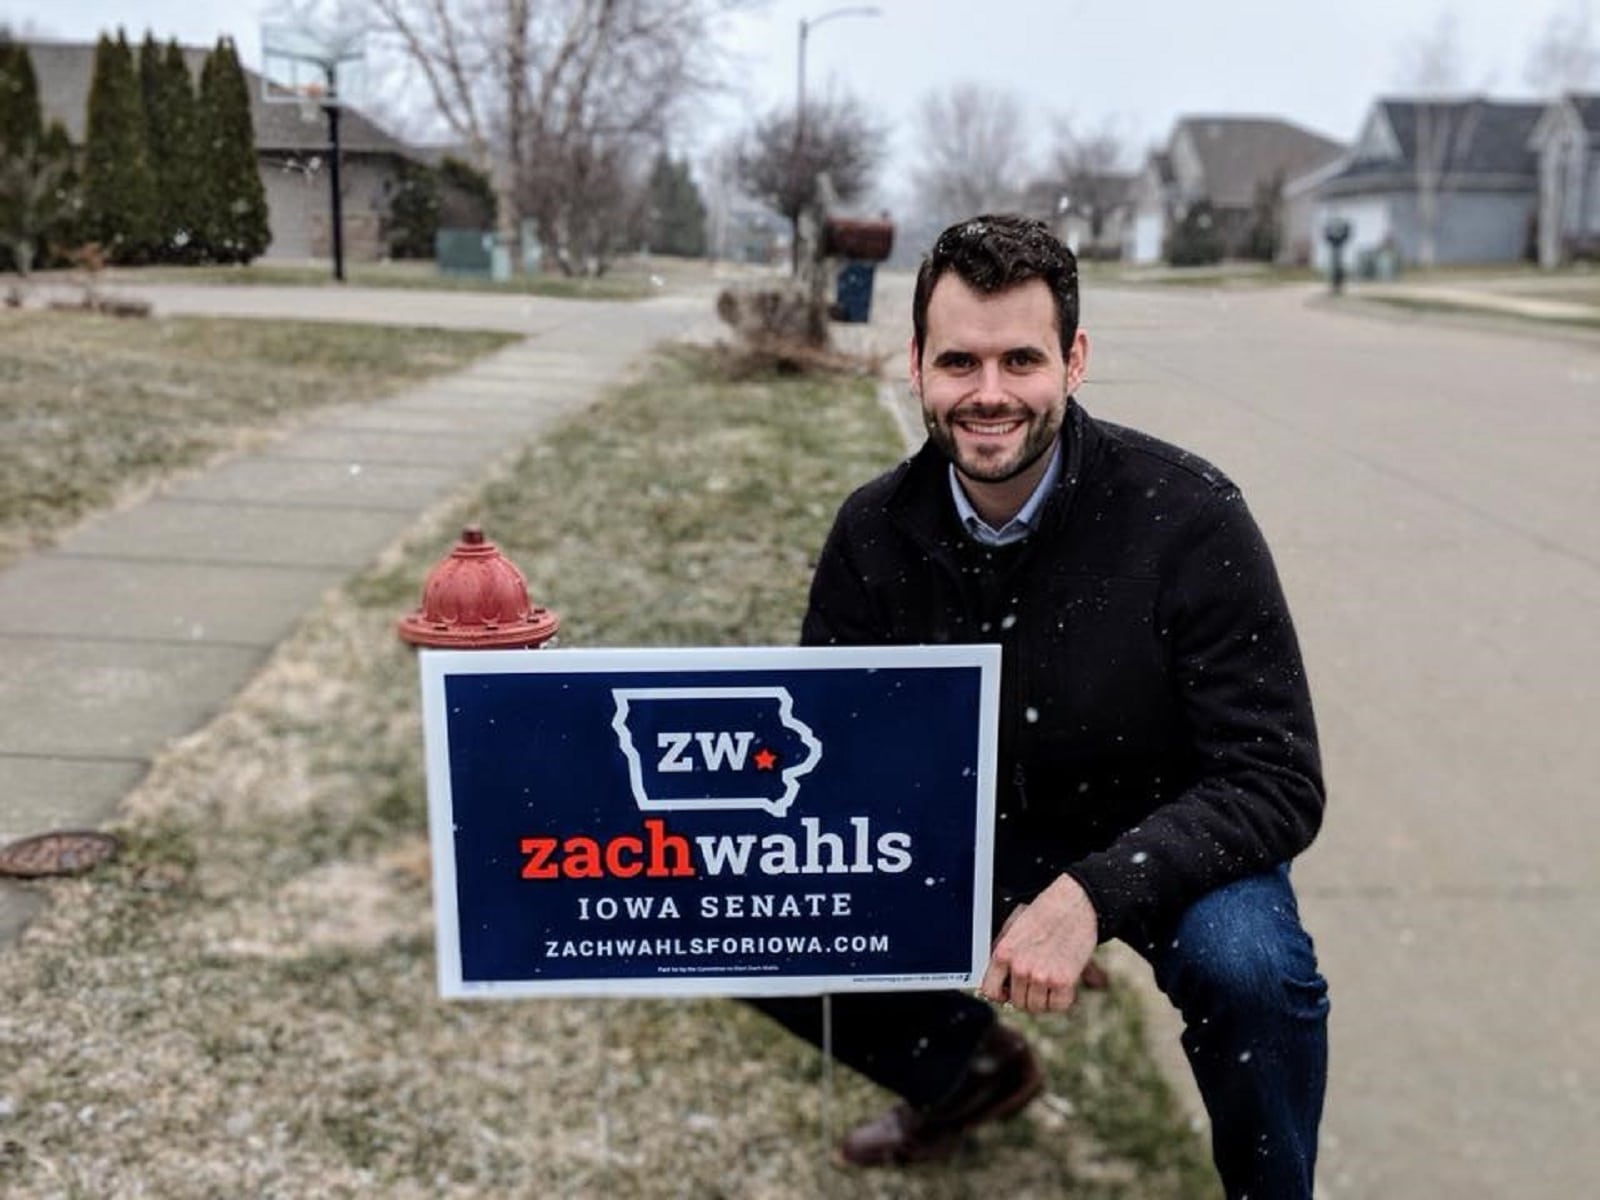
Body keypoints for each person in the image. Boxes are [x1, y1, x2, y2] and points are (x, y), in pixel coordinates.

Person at [751, 214, 1329, 1199]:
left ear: (1073, 360)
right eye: (958, 362)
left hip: (1166, 828)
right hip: (967, 833)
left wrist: (1092, 897)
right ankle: (965, 1072)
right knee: (739, 911)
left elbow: (1275, 778)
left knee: (1252, 974)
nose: (987, 395)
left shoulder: (1189, 516)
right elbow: (832, 755)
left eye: (1020, 359)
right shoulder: (873, 530)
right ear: (916, 365)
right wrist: (534, 689)